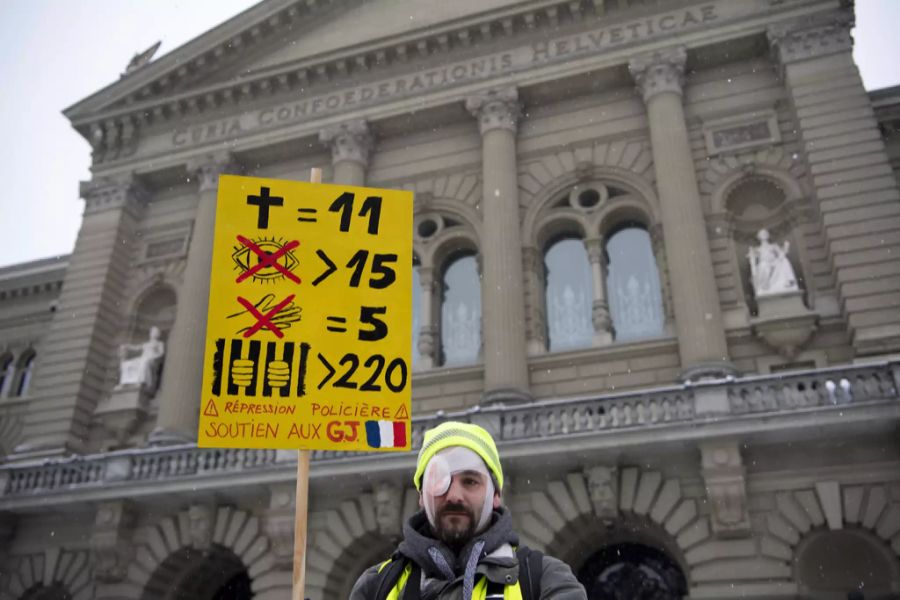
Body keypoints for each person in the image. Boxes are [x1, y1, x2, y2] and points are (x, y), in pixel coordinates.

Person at [350, 421, 587, 600]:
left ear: (495, 495)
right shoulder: (378, 585)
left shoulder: (543, 579)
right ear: (421, 495)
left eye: (470, 481)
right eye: (439, 481)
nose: (454, 496)